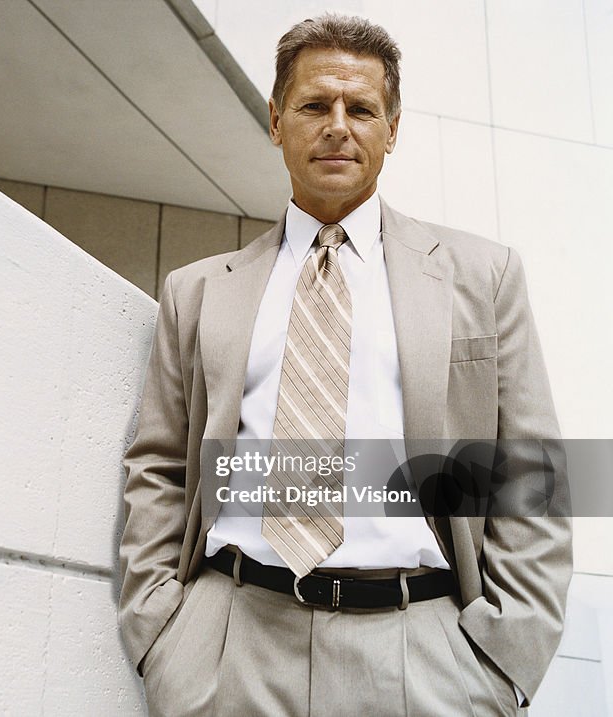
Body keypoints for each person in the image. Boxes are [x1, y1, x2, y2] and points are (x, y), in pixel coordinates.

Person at [118, 13, 571, 717]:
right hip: (232, 640)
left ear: (392, 129)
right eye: (313, 105)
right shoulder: (200, 290)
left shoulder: (483, 276)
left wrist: (504, 657)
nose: (337, 125)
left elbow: (530, 472)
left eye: (360, 108)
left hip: (423, 651)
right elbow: (159, 466)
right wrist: (162, 634)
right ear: (276, 121)